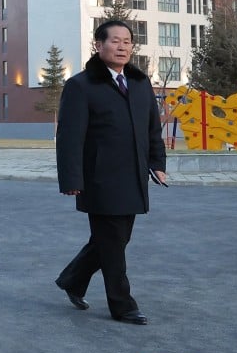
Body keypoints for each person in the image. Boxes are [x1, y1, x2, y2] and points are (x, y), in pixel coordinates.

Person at [54, 20, 167, 325]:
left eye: (127, 41)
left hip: (132, 177)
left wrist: (157, 163)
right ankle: (123, 305)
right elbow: (69, 137)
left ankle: (72, 279)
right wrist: (71, 179)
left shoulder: (140, 83)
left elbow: (152, 130)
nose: (122, 47)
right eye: (115, 41)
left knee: (112, 240)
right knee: (113, 244)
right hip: (99, 179)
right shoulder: (80, 85)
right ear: (98, 45)